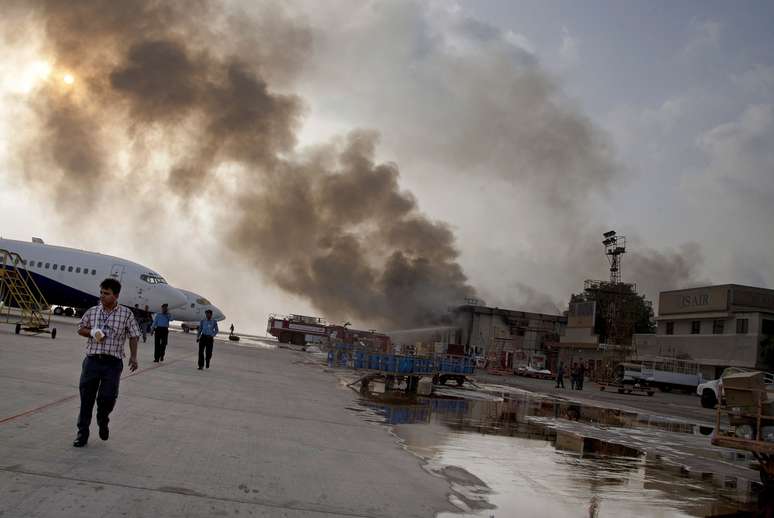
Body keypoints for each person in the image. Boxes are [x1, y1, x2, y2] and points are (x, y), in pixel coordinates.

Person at [73, 278, 140, 448]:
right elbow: (81, 328)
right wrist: (92, 332)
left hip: (112, 363)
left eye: (107, 293)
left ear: (116, 296)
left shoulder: (126, 314)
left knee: (108, 398)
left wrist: (133, 356)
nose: (102, 296)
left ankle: (103, 419)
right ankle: (82, 433)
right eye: (101, 292)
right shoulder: (93, 311)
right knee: (86, 398)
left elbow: (134, 335)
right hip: (92, 361)